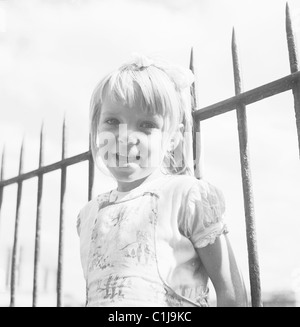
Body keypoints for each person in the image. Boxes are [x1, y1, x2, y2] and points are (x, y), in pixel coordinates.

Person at [76, 53, 248, 307]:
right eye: (112, 121)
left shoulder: (185, 196)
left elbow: (232, 294)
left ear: (173, 140)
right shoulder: (88, 214)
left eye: (146, 125)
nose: (125, 136)